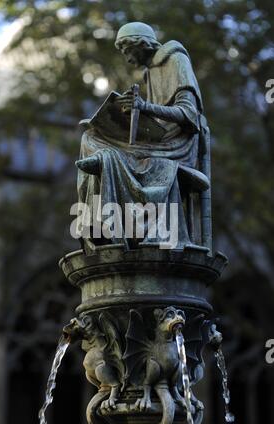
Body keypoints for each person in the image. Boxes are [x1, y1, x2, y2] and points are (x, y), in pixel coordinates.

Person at [76, 22, 206, 252]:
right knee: (91, 136)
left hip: (177, 144)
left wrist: (145, 107)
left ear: (142, 43)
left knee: (111, 155)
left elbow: (188, 114)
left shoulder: (176, 59)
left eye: (127, 50)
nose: (127, 58)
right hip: (159, 139)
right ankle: (103, 223)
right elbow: (153, 119)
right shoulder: (149, 72)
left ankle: (114, 219)